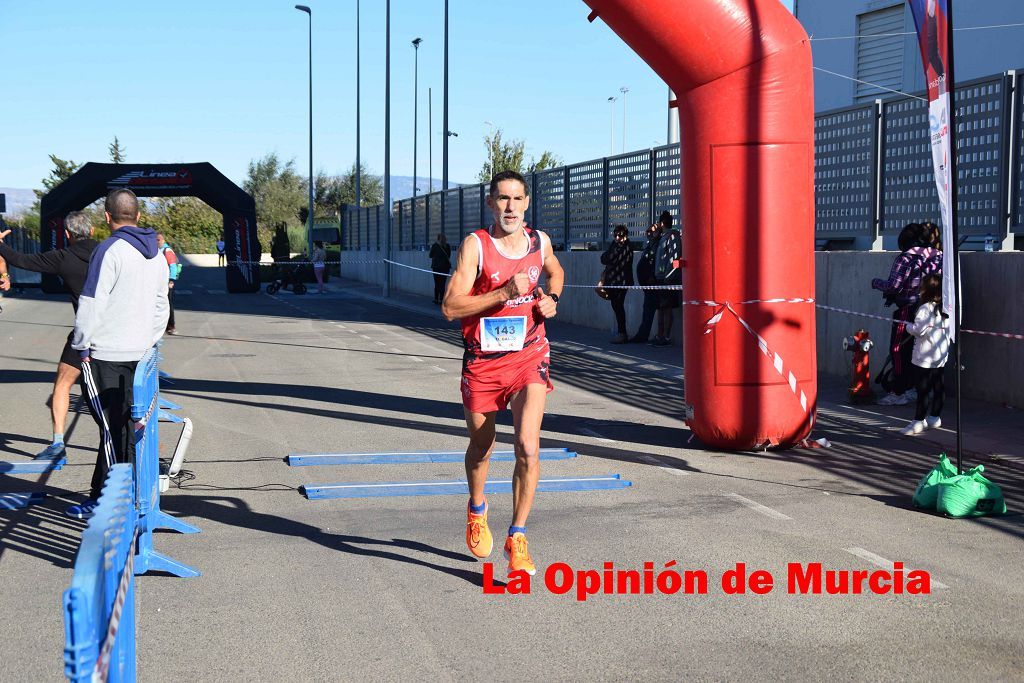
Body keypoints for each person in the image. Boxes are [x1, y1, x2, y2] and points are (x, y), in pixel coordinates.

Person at [442, 170, 564, 576]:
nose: (510, 207)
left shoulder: (539, 241)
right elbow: (450, 307)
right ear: (491, 203)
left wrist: (553, 300)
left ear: (527, 203)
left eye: (517, 199)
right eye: (502, 199)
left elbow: (556, 271)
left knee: (528, 446)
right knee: (482, 446)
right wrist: (501, 294)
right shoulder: (476, 246)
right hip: (483, 362)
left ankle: (518, 536)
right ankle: (477, 509)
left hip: (530, 354)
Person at [68, 189, 169, 519]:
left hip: (106, 354)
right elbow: (161, 305)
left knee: (112, 431)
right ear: (138, 216)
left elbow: (91, 302)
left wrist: (81, 345)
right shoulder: (156, 252)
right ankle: (113, 495)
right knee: (125, 427)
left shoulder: (108, 249)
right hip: (141, 353)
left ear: (107, 217)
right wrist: (148, 340)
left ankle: (110, 503)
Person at [0, 212, 100, 458]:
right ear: (93, 231)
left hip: (84, 334)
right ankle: (122, 443)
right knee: (112, 392)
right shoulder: (107, 253)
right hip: (116, 334)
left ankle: (57, 444)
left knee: (63, 385)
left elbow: (22, 260)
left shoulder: (63, 257)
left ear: (67, 234)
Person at [871, 223, 941, 405]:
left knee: (898, 350)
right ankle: (916, 389)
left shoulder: (905, 258)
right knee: (921, 353)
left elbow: (894, 286)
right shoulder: (938, 256)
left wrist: (875, 282)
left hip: (907, 310)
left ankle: (898, 392)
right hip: (932, 311)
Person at [901, 274, 950, 435]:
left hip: (924, 357)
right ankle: (935, 417)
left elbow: (918, 330)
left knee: (922, 390)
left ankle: (918, 421)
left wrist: (906, 326)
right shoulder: (946, 308)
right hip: (940, 356)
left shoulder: (924, 308)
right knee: (938, 387)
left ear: (927, 289)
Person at [628, 219, 664, 343]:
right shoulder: (650, 244)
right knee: (647, 308)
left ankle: (644, 335)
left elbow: (657, 262)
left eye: (652, 231)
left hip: (652, 282)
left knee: (650, 308)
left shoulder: (659, 244)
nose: (649, 233)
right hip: (647, 283)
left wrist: (652, 276)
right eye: (648, 231)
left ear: (659, 232)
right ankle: (643, 334)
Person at [651, 211, 681, 347]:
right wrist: (655, 237)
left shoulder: (673, 236)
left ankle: (666, 337)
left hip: (668, 279)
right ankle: (660, 335)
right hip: (660, 278)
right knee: (660, 307)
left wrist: (669, 276)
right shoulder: (662, 237)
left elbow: (674, 258)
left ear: (662, 223)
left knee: (667, 308)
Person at [600, 224, 634, 343]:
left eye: (620, 235)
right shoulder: (615, 245)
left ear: (625, 235)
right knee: (616, 305)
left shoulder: (627, 247)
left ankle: (622, 333)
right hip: (613, 281)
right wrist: (609, 255)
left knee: (618, 305)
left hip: (622, 282)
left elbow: (610, 257)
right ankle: (621, 332)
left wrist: (610, 255)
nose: (617, 237)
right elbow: (603, 259)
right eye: (615, 235)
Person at [156, 232, 181, 334]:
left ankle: (171, 326)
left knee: (168, 303)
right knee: (161, 303)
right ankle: (163, 326)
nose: (156, 242)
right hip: (160, 282)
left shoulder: (167, 250)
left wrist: (171, 280)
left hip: (167, 282)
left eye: (158, 240)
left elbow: (173, 266)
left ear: (163, 240)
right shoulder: (158, 250)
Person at [428, 233, 452, 305]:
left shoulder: (435, 246)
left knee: (437, 283)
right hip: (445, 268)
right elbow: (449, 256)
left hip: (436, 268)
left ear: (438, 238)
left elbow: (430, 255)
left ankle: (436, 299)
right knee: (442, 284)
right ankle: (441, 300)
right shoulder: (447, 246)